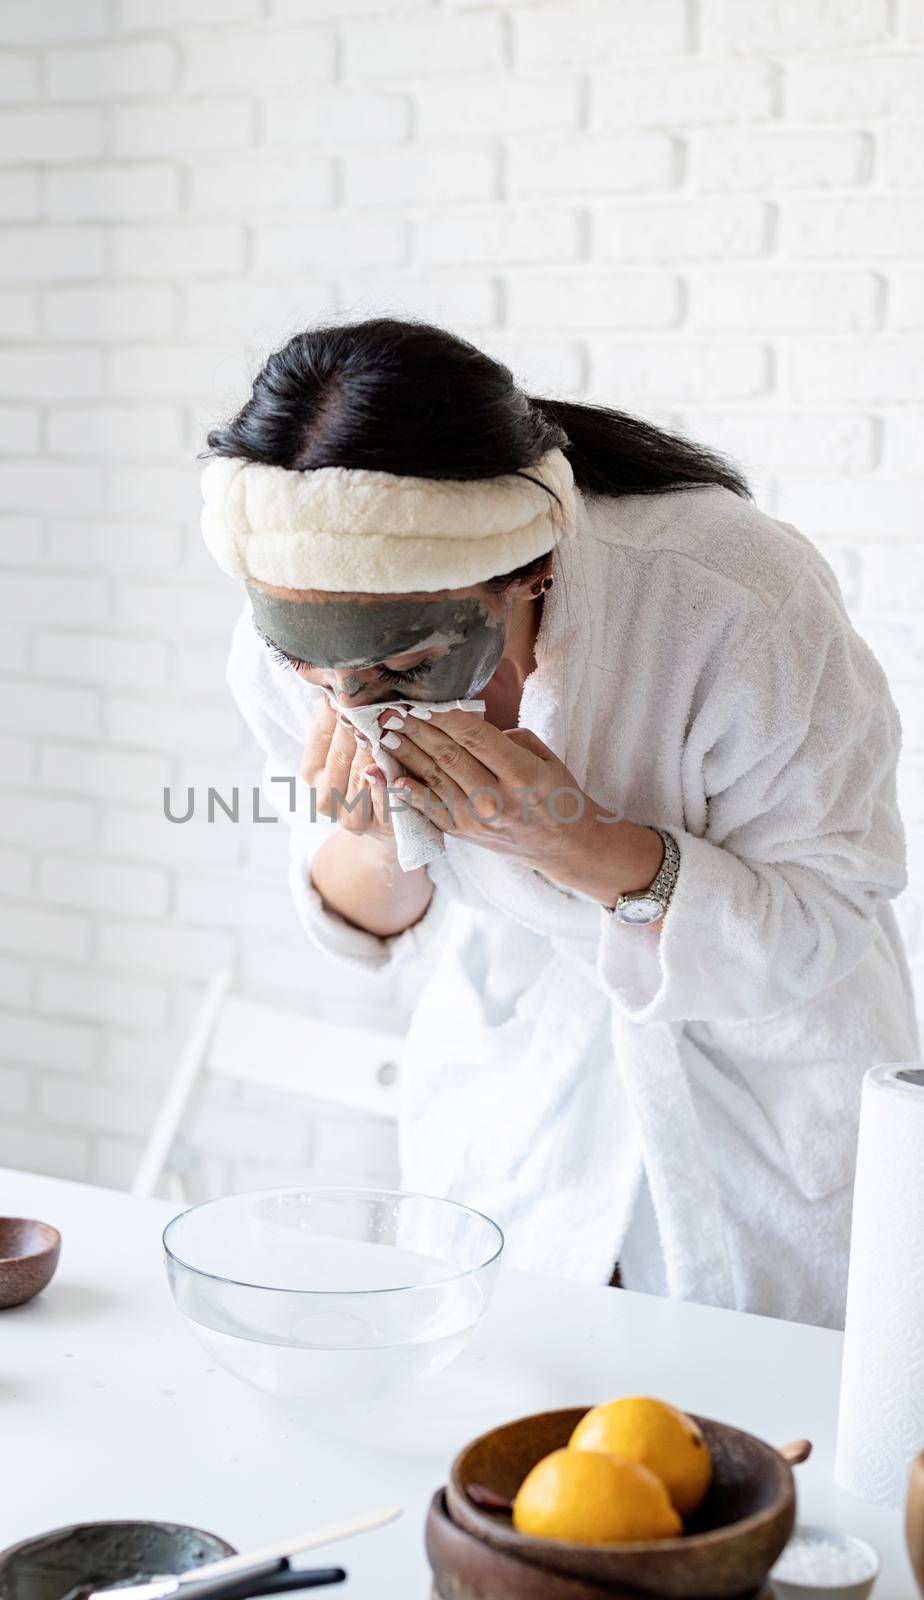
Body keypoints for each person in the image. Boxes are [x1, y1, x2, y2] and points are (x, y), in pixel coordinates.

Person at [198, 317, 919, 1330]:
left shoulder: (734, 600)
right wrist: (369, 838)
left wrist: (581, 844)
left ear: (528, 569)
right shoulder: (298, 616)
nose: (350, 698)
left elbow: (829, 914)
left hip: (764, 1111)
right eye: (310, 663)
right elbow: (363, 911)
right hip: (515, 1110)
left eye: (404, 661)